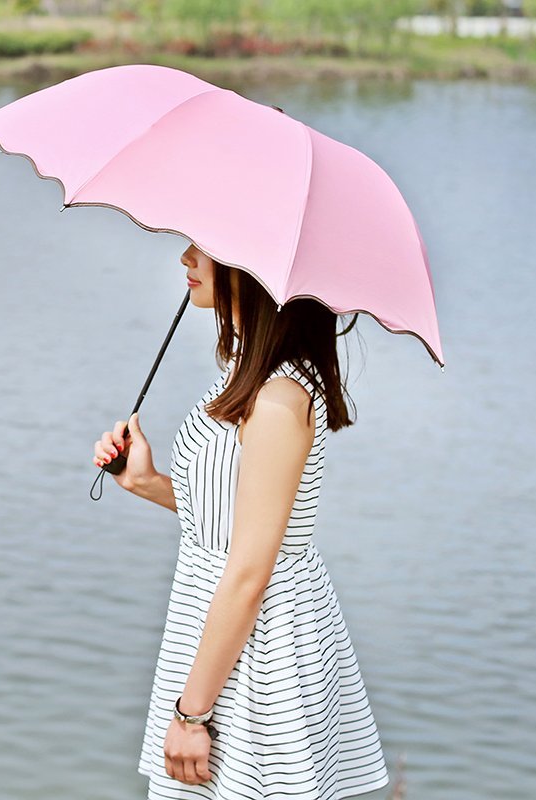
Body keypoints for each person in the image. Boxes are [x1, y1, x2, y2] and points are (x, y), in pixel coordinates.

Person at [92, 243, 390, 799]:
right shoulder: (245, 374)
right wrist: (146, 481)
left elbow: (251, 570)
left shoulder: (279, 399)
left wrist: (192, 715)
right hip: (218, 628)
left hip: (259, 649)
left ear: (253, 270)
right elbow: (232, 515)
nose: (186, 257)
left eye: (207, 248)